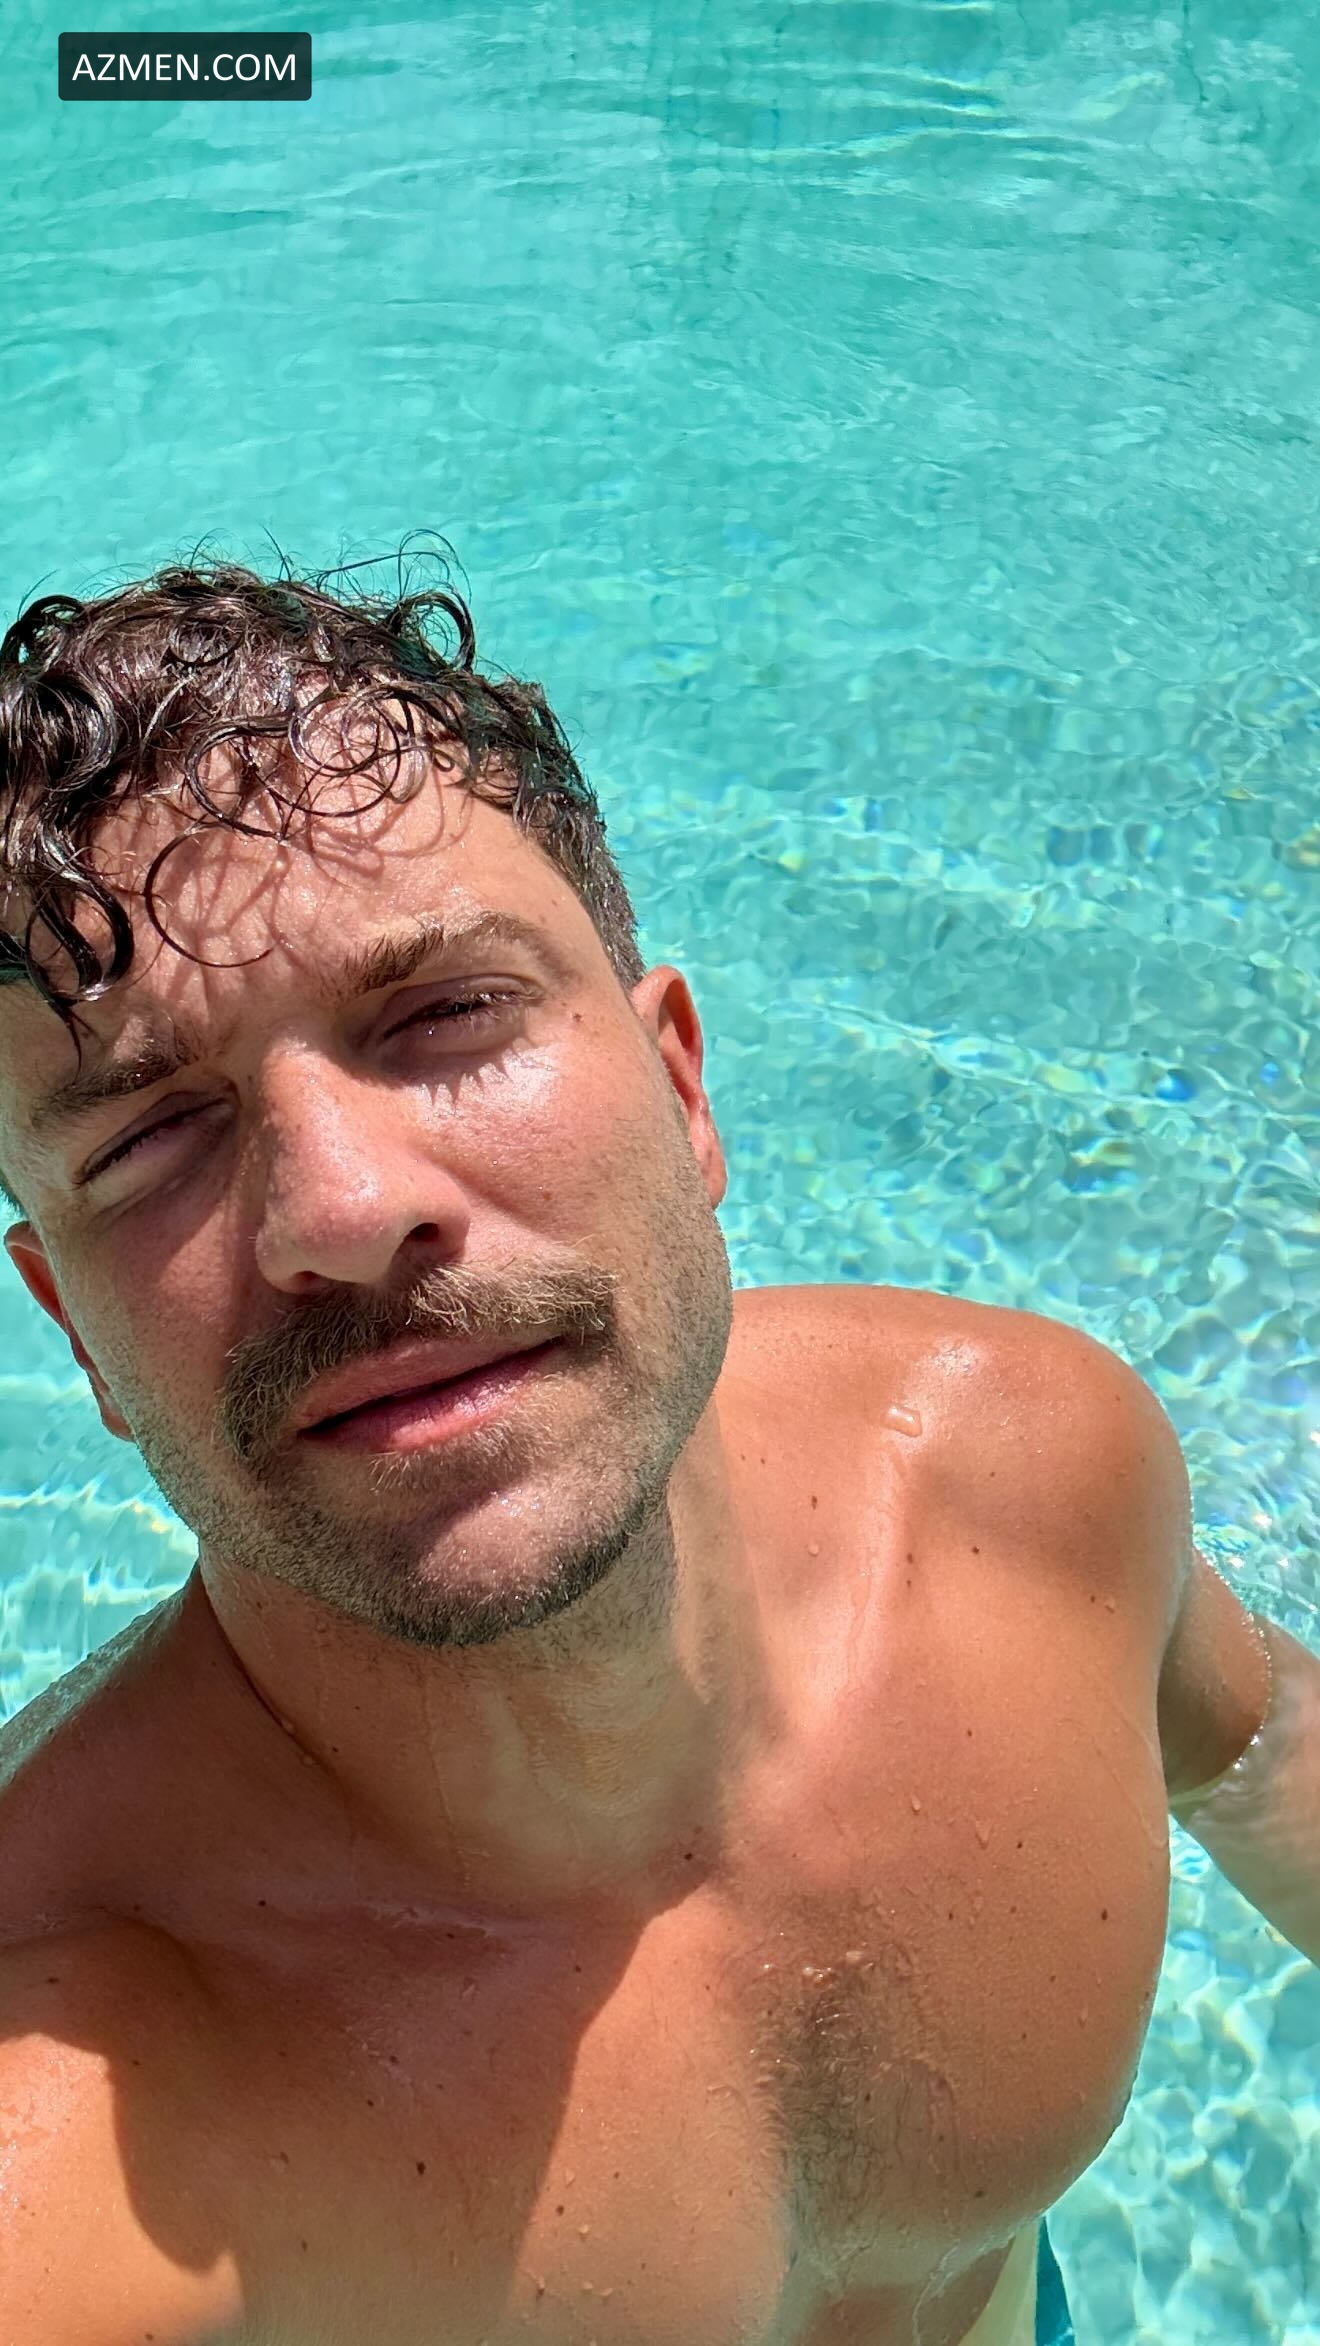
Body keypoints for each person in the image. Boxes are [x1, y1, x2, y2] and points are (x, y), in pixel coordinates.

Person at [0, 560, 1314, 2346]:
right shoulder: (72, 2105)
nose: (344, 1208)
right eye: (151, 1137)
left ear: (685, 1087)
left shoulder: (1019, 1485)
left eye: (442, 1015)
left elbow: (1257, 1738)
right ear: (74, 1327)